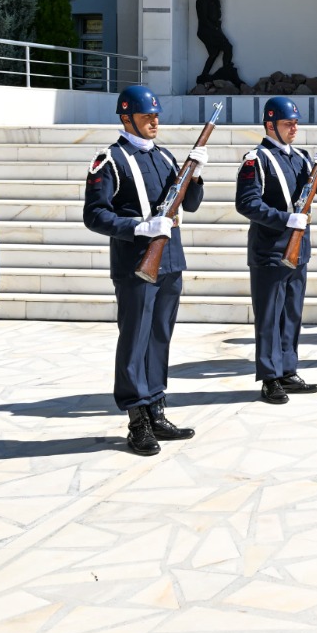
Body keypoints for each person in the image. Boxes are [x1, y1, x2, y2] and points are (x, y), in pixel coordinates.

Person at [83, 84, 208, 456]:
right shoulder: (110, 159)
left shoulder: (166, 156)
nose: (154, 121)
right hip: (136, 263)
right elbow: (95, 214)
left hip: (169, 261)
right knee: (135, 338)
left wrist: (196, 175)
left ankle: (156, 406)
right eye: (146, 116)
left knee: (159, 337)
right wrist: (138, 226)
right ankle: (137, 418)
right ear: (126, 118)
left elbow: (194, 204)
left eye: (156, 115)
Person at [234, 96, 317, 404]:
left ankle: (288, 369)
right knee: (269, 315)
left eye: (295, 123)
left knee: (291, 313)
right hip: (270, 250)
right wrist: (285, 219)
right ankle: (269, 376)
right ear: (269, 125)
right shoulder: (257, 159)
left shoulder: (301, 157)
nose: (294, 128)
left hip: (298, 250)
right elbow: (247, 203)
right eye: (288, 123)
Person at [195, 0, 235, 82]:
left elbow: (218, 16)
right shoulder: (202, 0)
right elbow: (203, 18)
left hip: (215, 30)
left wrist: (217, 27)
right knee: (227, 48)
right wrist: (215, 28)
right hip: (206, 31)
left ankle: (204, 76)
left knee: (214, 53)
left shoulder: (216, 0)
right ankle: (226, 70)